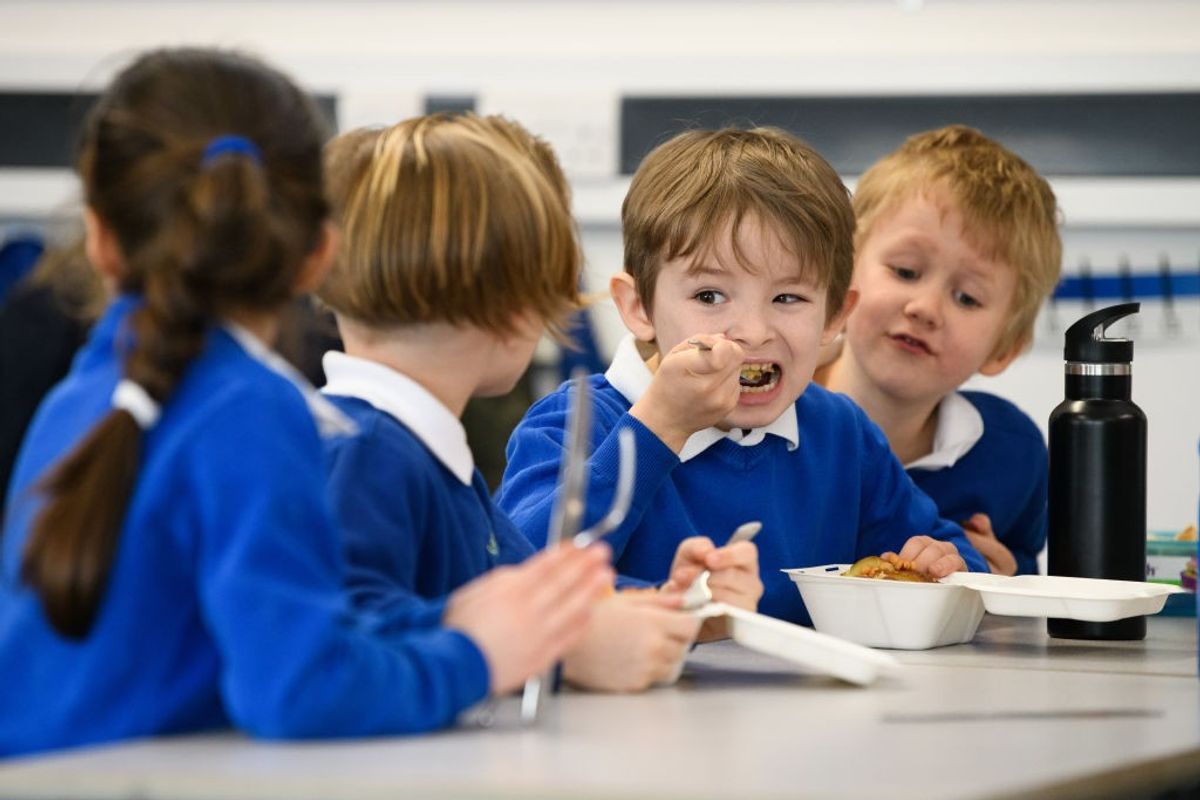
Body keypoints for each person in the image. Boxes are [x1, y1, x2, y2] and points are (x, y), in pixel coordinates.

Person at [0, 48, 611, 758]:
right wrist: (474, 658)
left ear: (100, 240)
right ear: (320, 253)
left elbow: (276, 638)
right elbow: (298, 690)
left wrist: (445, 621)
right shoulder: (253, 413)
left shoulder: (78, 397)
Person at [318, 115, 747, 690]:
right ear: (521, 310)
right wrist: (557, 655)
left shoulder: (418, 449)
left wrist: (662, 603)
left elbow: (516, 590)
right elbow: (331, 663)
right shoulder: (367, 455)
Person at [497, 126, 987, 627]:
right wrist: (659, 427)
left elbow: (960, 563)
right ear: (639, 306)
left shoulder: (841, 433)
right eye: (709, 296)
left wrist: (941, 566)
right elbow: (515, 576)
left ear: (835, 317)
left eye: (788, 298)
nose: (753, 332)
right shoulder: (574, 421)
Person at [817, 125, 1061, 576]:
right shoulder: (761, 409)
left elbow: (1022, 568)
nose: (926, 308)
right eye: (906, 271)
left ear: (1003, 347)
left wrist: (1004, 581)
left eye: (967, 297)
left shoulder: (1012, 455)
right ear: (841, 272)